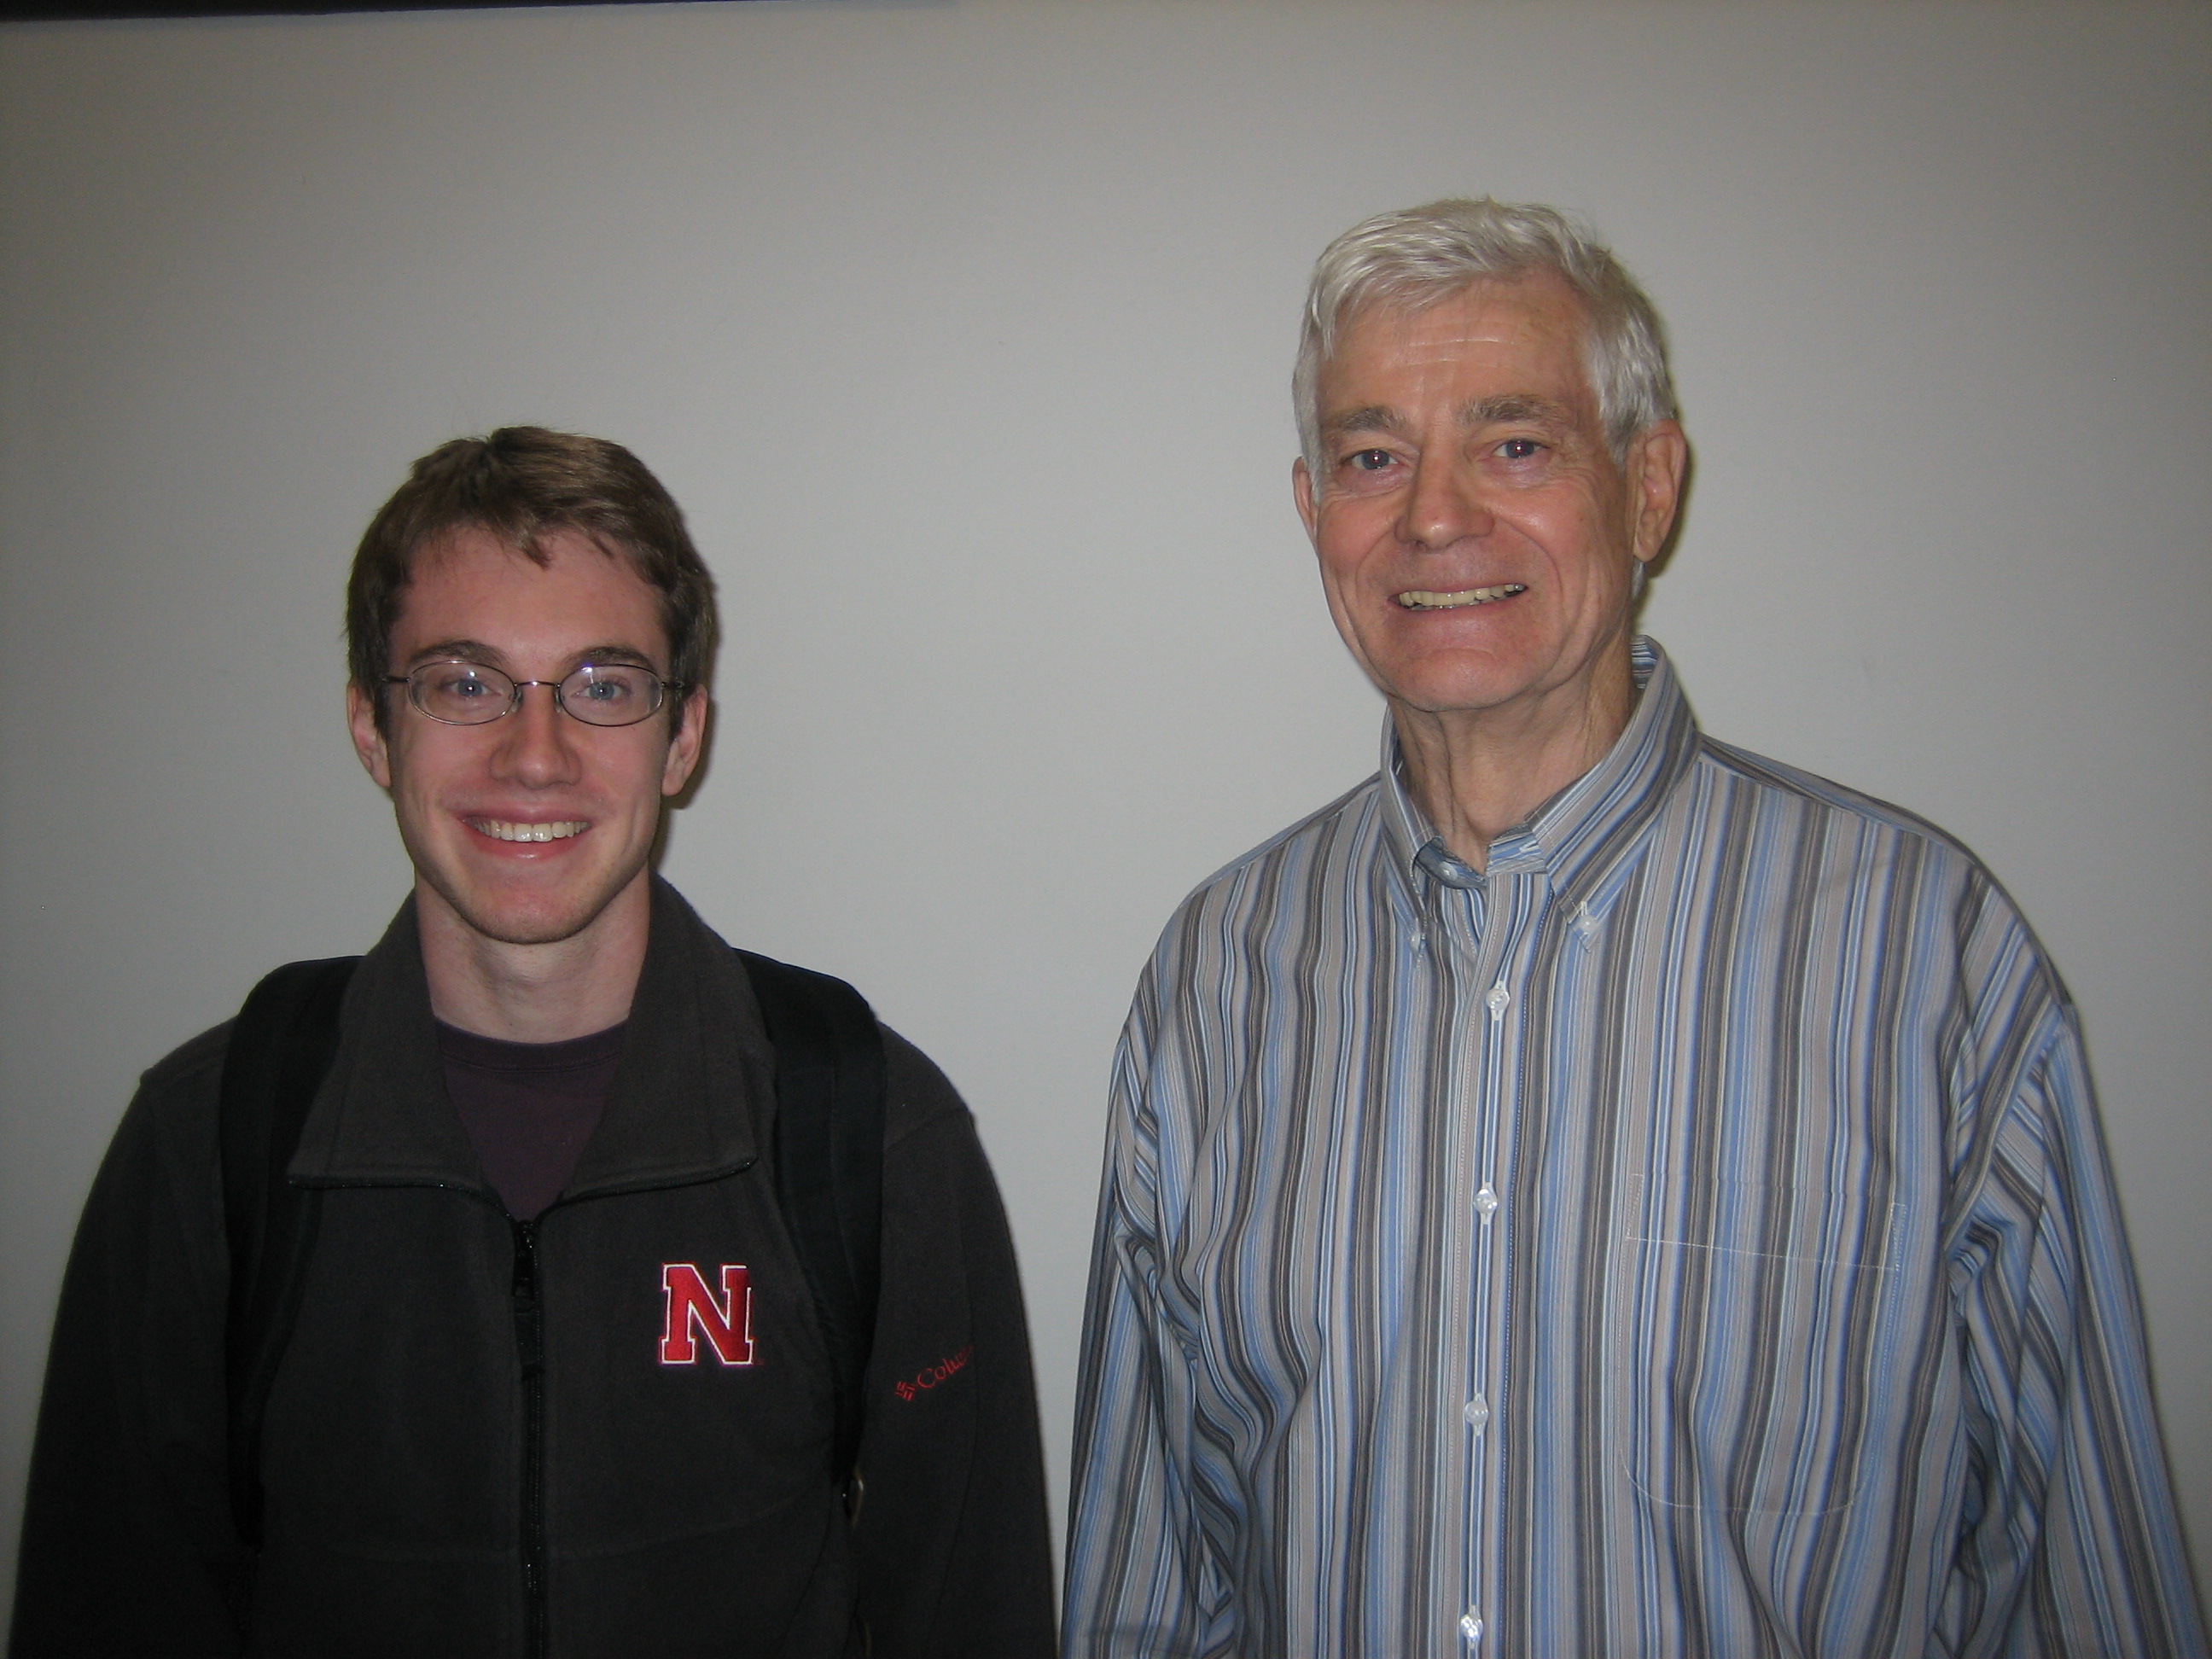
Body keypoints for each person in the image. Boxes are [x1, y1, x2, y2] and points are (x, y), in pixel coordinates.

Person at [1062, 200, 2207, 1656]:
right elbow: (1150, 1586)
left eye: (1515, 443)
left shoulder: (1927, 957)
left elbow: (2079, 1582)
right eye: (1372, 457)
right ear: (1312, 512)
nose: (1432, 516)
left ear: (1649, 489)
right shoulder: (1214, 977)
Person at [13, 428, 1056, 1657]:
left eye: (603, 686)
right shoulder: (208, 1141)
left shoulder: (870, 1130)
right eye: (465, 683)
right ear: (371, 728)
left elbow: (971, 1618)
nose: (534, 755)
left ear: (683, 738)